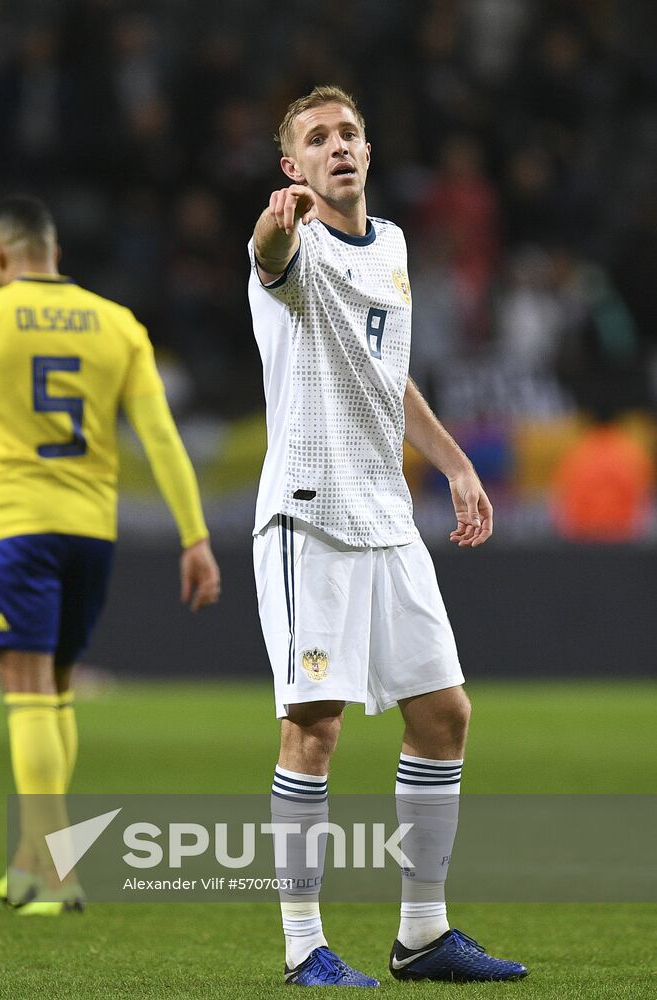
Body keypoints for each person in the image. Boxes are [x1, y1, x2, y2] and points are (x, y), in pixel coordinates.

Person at [0, 195, 221, 915]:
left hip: (17, 526)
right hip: (92, 530)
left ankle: (53, 875)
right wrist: (195, 536)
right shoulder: (117, 324)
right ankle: (35, 861)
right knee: (55, 690)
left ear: (0, 258)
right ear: (53, 252)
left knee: (25, 692)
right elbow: (159, 439)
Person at [247, 86, 527, 985]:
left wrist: (453, 463)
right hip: (309, 510)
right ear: (293, 166)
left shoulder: (395, 247)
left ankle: (421, 935)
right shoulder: (292, 241)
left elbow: (387, 375)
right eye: (317, 139)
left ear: (367, 151)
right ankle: (303, 949)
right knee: (314, 728)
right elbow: (268, 255)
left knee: (443, 714)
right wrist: (272, 224)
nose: (338, 148)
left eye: (350, 134)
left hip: (384, 511)